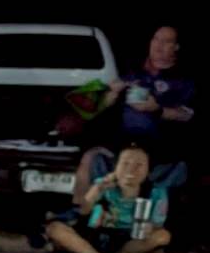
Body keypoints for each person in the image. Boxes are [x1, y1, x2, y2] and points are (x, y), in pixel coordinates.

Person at [72, 26, 195, 205]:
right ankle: (80, 210)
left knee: (148, 167)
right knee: (89, 157)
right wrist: (110, 95)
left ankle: (145, 214)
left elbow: (187, 115)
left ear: (176, 47)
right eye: (156, 39)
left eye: (166, 41)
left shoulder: (183, 79)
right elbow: (95, 102)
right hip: (123, 140)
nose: (158, 45)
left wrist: (157, 109)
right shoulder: (133, 70)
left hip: (159, 144)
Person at [46, 145, 170, 253]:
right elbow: (83, 211)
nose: (131, 169)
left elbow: (157, 225)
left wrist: (150, 227)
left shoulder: (156, 193)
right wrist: (97, 190)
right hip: (96, 236)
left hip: (130, 242)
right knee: (55, 228)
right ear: (116, 168)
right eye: (125, 163)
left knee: (163, 236)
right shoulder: (103, 184)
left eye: (139, 165)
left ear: (148, 170)